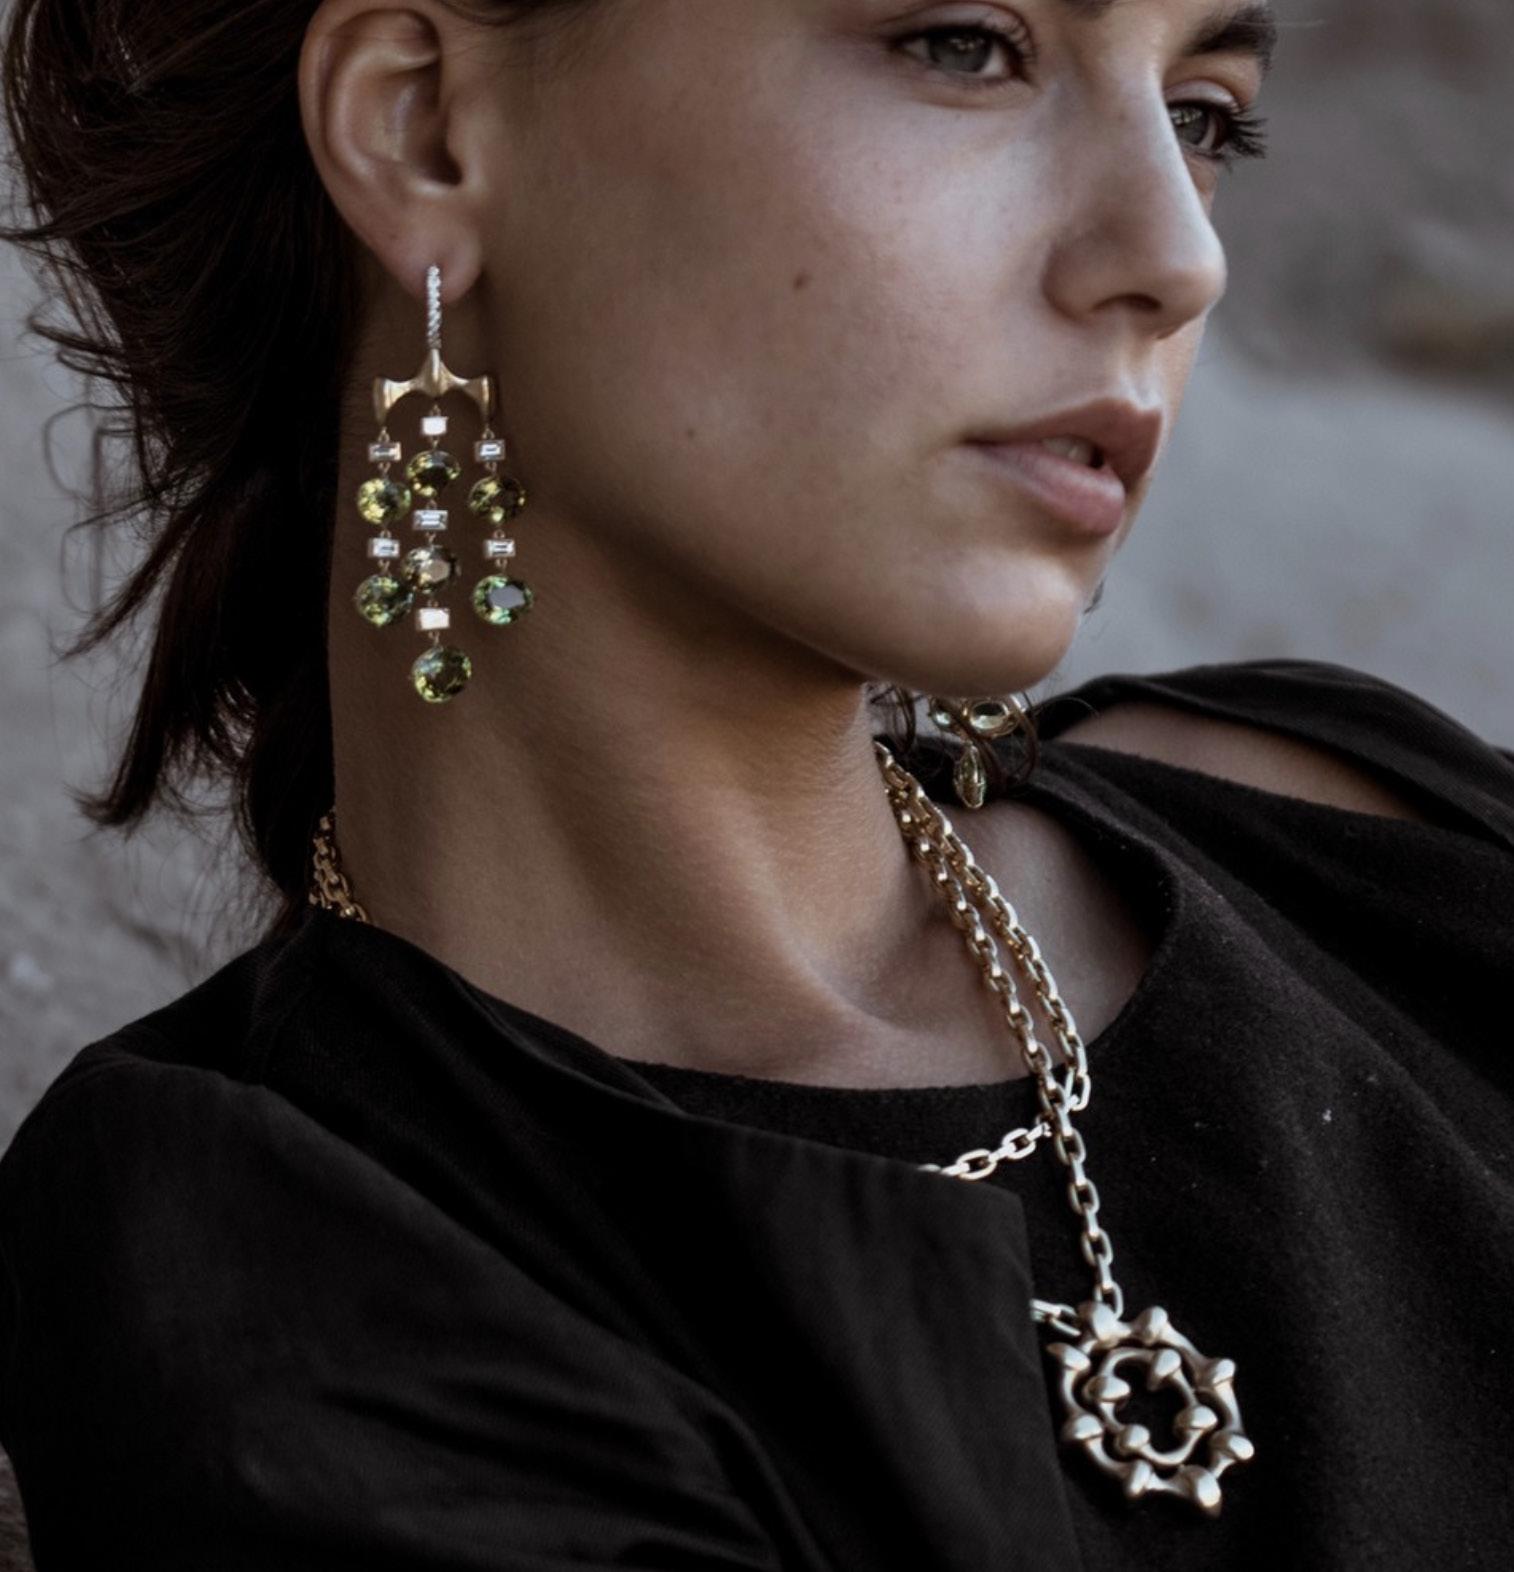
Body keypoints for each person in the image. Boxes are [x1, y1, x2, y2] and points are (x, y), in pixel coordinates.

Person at [0, 0, 1510, 1566]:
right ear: (423, 127)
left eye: (1201, 114)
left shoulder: (1337, 810)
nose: (1177, 257)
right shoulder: (309, 1288)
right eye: (964, 45)